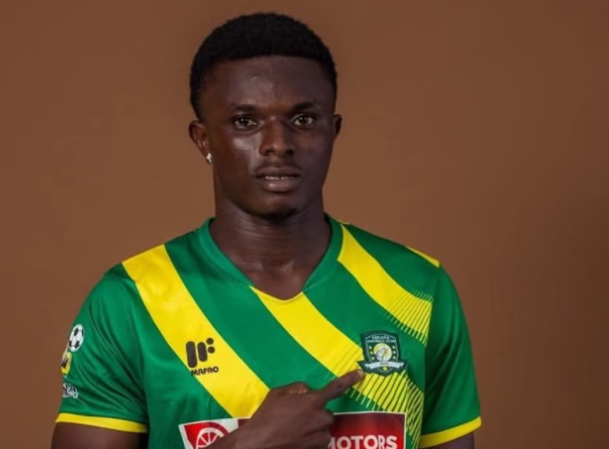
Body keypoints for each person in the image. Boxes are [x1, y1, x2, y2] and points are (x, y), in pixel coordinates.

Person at [51, 12, 481, 449]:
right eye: (245, 121)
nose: (278, 144)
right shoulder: (131, 301)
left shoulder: (418, 289)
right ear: (203, 139)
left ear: (332, 132)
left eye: (303, 119)